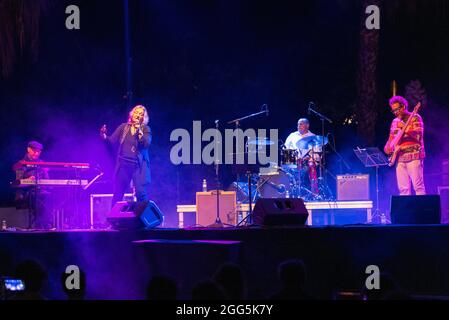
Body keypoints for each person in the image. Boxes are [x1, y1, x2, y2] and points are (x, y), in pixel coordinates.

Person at [101, 105, 152, 207]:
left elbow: (146, 144)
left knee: (141, 194)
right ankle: (114, 220)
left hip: (138, 166)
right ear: (132, 114)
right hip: (123, 165)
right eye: (136, 113)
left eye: (141, 114)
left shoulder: (145, 129)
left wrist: (139, 132)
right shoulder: (123, 127)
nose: (138, 115)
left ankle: (144, 219)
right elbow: (111, 141)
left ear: (143, 118)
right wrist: (104, 136)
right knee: (118, 193)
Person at [384, 96, 426, 195]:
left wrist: (404, 127)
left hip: (414, 156)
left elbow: (418, 136)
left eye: (397, 109)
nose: (395, 112)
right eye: (393, 110)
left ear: (403, 107)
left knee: (418, 187)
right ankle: (406, 210)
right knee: (403, 189)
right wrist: (387, 147)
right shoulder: (394, 122)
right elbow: (391, 138)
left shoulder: (415, 117)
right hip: (400, 158)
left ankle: (420, 210)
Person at [12, 141, 51, 228]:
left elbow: (47, 182)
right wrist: (28, 180)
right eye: (34, 151)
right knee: (38, 196)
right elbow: (18, 183)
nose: (36, 153)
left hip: (40, 191)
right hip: (25, 192)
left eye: (39, 152)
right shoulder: (21, 164)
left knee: (49, 195)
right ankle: (41, 225)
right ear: (28, 149)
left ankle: (47, 224)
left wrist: (43, 179)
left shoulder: (41, 163)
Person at [284, 118, 319, 196]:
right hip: (293, 160)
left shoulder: (313, 137)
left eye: (301, 124)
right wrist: (291, 157)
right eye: (298, 124)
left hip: (307, 161)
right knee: (284, 168)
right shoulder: (292, 135)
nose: (298, 126)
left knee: (311, 164)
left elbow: (317, 154)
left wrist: (310, 158)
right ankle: (288, 191)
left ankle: (314, 192)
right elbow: (285, 149)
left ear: (307, 125)